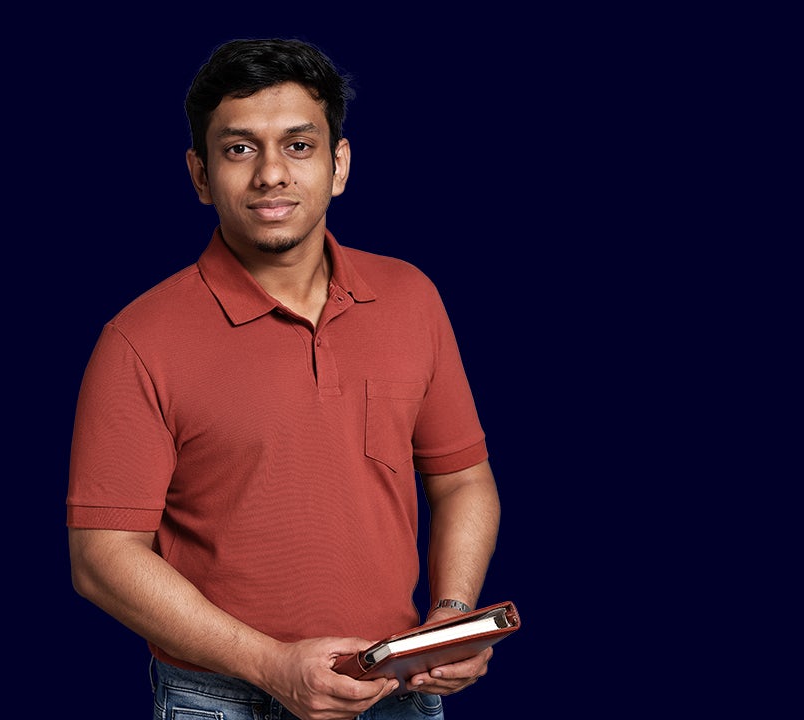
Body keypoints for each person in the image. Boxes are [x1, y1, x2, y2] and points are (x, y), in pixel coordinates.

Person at [67, 37, 501, 720]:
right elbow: (102, 558)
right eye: (240, 149)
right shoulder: (137, 340)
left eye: (299, 146)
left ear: (339, 164)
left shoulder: (412, 297)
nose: (272, 173)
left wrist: (449, 619)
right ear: (201, 174)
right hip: (220, 700)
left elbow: (463, 479)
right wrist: (270, 665)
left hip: (394, 690)